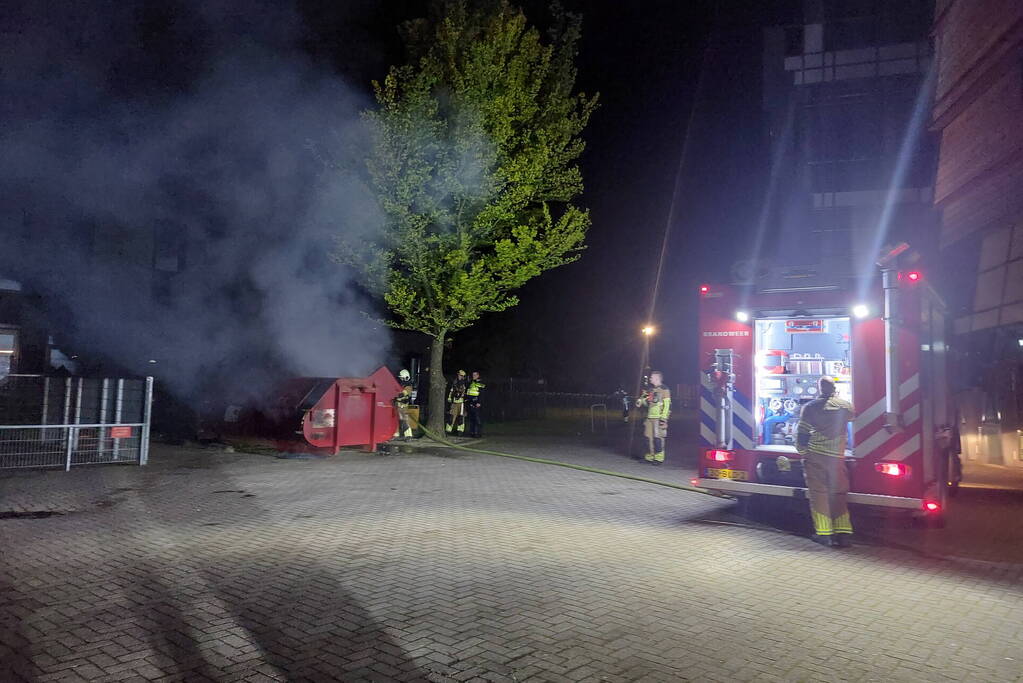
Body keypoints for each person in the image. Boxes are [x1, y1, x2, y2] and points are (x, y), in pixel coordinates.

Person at [796, 377, 856, 548]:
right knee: (839, 494)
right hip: (837, 457)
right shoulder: (846, 406)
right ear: (835, 388)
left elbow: (802, 433)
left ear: (819, 388)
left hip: (816, 456)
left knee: (819, 494)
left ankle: (824, 534)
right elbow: (852, 418)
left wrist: (802, 452)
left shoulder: (810, 407)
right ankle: (844, 534)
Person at [635, 370, 670, 464]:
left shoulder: (664, 389)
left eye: (651, 377)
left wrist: (664, 418)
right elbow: (646, 400)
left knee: (658, 438)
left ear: (657, 378)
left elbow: (667, 405)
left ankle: (658, 458)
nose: (650, 379)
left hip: (659, 418)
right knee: (648, 438)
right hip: (649, 417)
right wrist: (641, 401)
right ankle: (649, 457)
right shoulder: (650, 390)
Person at [446, 369, 468, 435]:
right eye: (460, 375)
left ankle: (460, 431)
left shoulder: (465, 383)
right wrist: (450, 398)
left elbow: (467, 392)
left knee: (461, 417)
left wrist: (465, 398)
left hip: (462, 403)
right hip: (454, 402)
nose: (461, 377)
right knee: (451, 416)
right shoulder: (454, 382)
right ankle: (448, 430)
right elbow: (451, 391)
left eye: (462, 376)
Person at [466, 370, 486, 438]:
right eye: (473, 375)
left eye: (475, 375)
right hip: (471, 403)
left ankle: (478, 433)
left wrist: (479, 402)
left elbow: (482, 393)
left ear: (478, 375)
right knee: (472, 419)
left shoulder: (481, 383)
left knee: (477, 418)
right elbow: (469, 392)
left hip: (477, 403)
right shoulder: (471, 382)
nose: (473, 376)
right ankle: (472, 433)